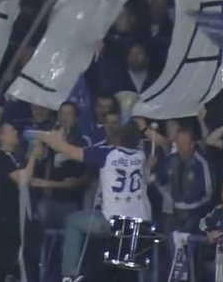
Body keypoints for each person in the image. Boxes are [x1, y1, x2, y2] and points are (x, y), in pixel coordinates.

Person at [37, 121, 149, 282]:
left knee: (73, 220)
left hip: (112, 222)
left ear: (118, 138)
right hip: (138, 224)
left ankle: (70, 275)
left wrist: (47, 138)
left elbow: (68, 150)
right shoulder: (141, 155)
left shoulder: (107, 154)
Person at [0, 121, 42, 282]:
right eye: (12, 131)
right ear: (2, 136)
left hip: (14, 222)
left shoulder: (14, 158)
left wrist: (65, 184)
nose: (16, 133)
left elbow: (29, 179)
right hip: (5, 224)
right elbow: (23, 179)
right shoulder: (1, 158)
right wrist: (34, 154)